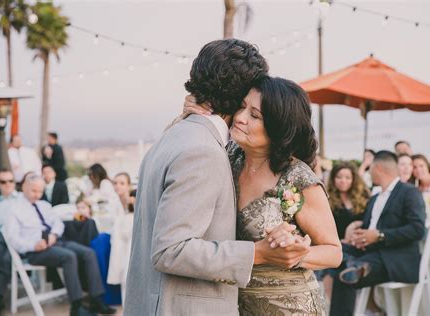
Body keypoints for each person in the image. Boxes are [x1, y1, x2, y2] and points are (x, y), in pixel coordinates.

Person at [125, 39, 313, 316]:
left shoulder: (172, 136)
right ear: (241, 96)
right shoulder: (203, 150)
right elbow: (171, 250)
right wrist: (258, 252)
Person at [183, 76, 343, 315]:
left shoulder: (298, 178)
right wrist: (190, 116)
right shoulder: (228, 157)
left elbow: (334, 252)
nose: (240, 118)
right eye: (242, 106)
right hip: (234, 304)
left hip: (290, 307)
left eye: (254, 115)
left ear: (279, 128)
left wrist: (297, 253)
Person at [329, 151, 426, 316]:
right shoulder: (374, 197)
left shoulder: (409, 192)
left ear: (378, 167)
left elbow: (417, 229)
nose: (369, 171)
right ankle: (354, 264)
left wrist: (380, 235)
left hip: (392, 257)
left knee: (343, 277)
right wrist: (358, 237)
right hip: (368, 251)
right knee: (335, 249)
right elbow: (368, 227)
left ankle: (355, 266)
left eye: (370, 167)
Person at [3, 174, 115, 316]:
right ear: (24, 187)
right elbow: (13, 238)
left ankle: (96, 299)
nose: (37, 194)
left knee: (89, 253)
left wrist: (54, 234)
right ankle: (76, 306)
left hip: (56, 242)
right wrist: (33, 245)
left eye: (40, 191)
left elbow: (58, 223)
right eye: (34, 191)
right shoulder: (14, 210)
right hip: (36, 251)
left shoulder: (44, 205)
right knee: (69, 257)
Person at [327, 161, 369, 242]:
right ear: (333, 179)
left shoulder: (363, 197)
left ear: (353, 179)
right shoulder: (327, 199)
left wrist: (355, 224)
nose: (343, 181)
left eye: (347, 177)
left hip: (359, 243)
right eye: (339, 177)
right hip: (337, 244)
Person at [107, 188, 136, 304]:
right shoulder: (128, 218)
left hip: (128, 255)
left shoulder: (127, 218)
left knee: (127, 284)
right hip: (128, 254)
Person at [0, 170, 20, 314]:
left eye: (11, 181)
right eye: (3, 182)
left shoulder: (21, 199)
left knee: (5, 259)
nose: (7, 185)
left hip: (16, 237)